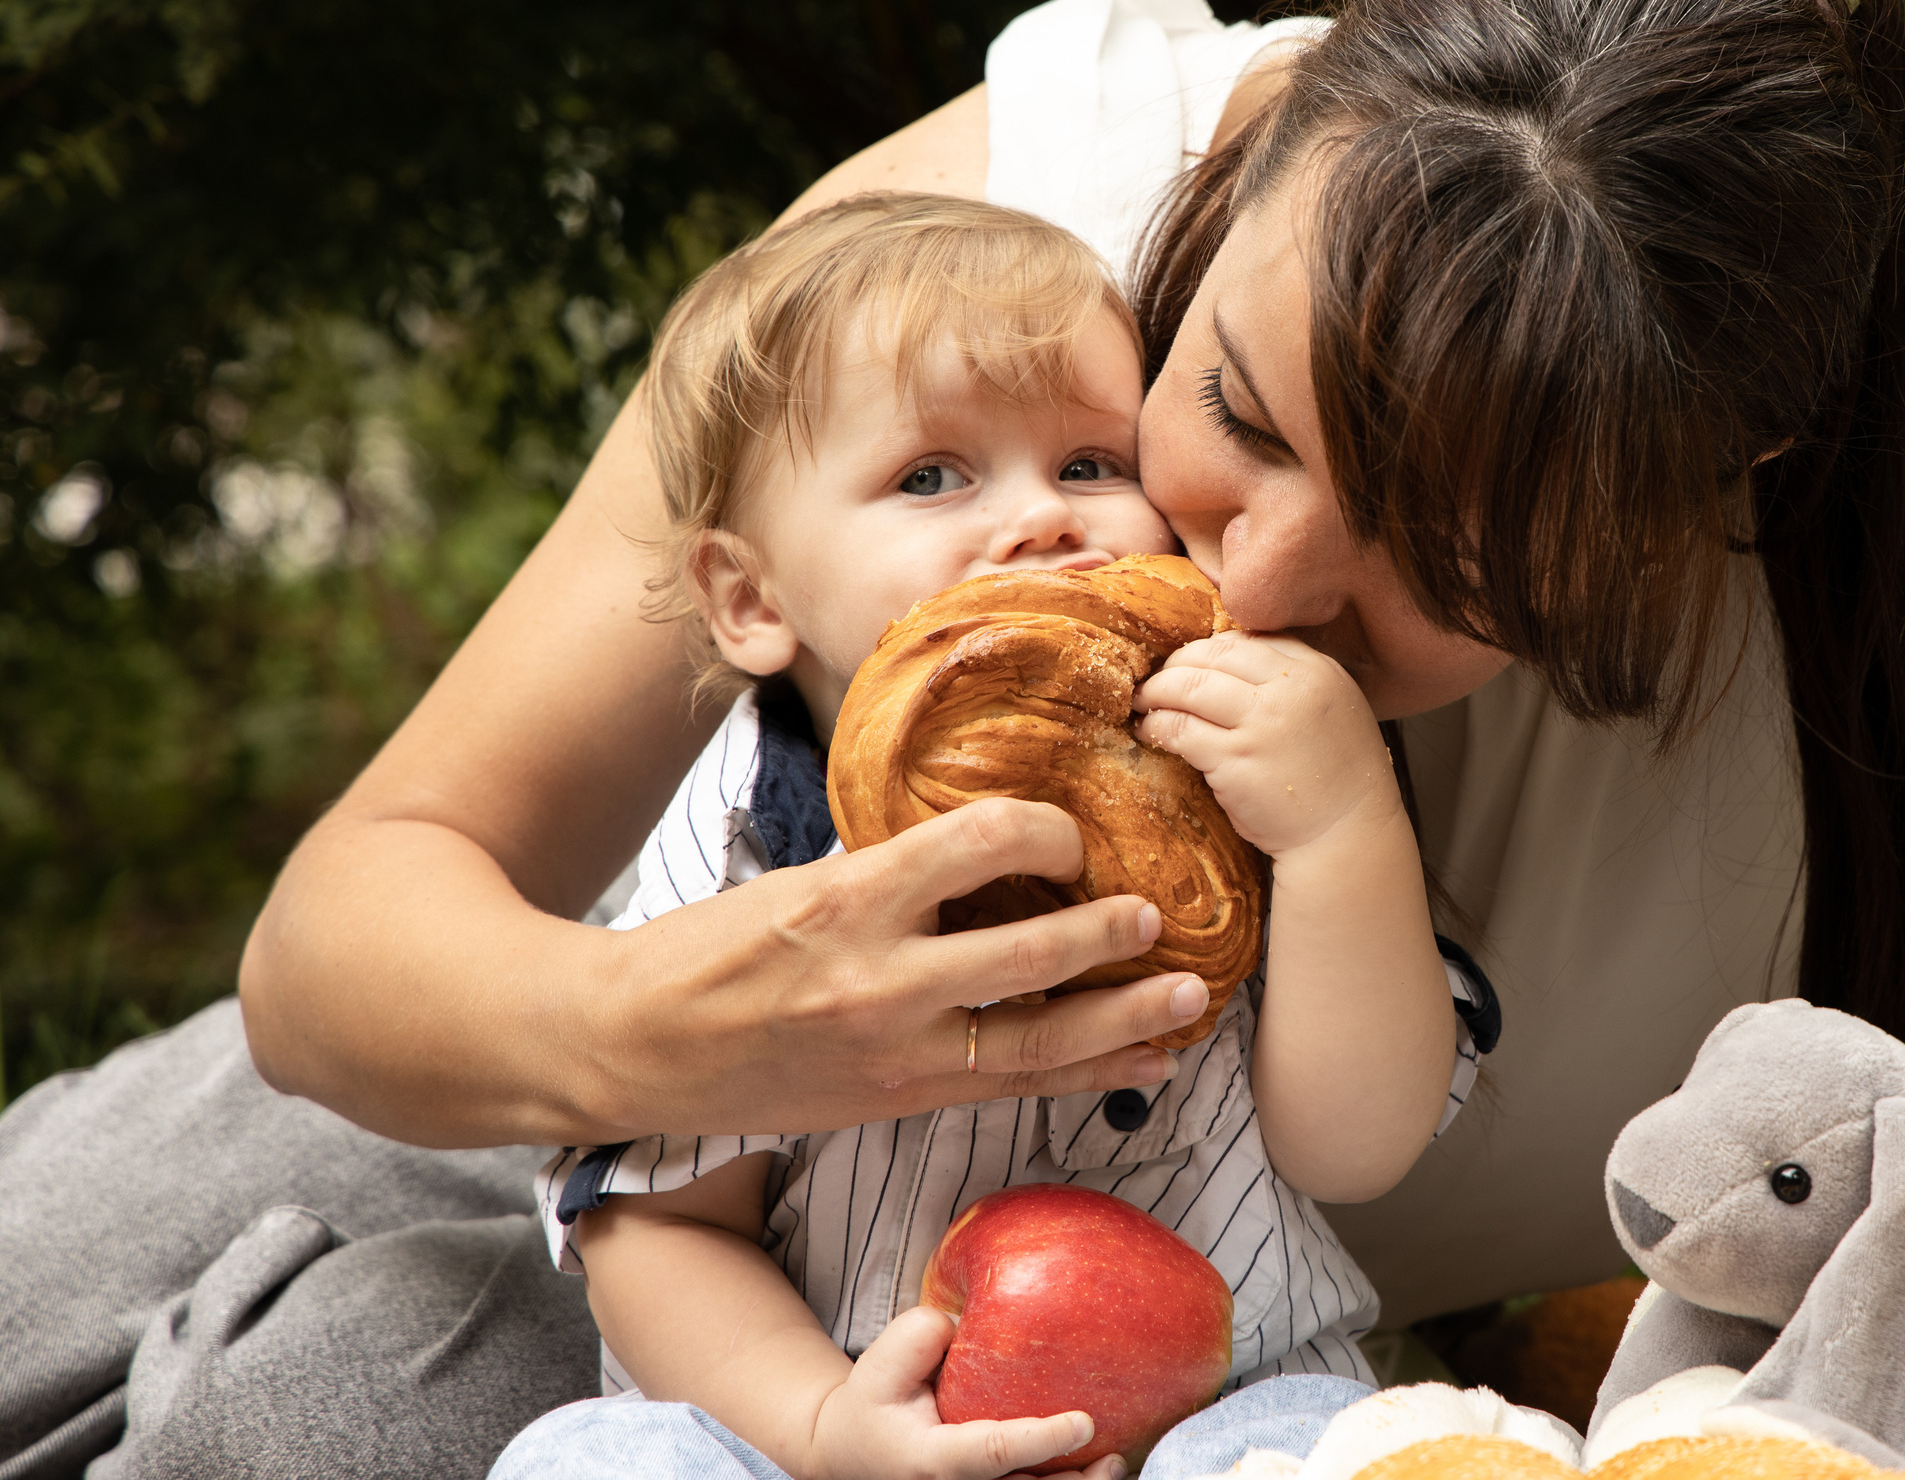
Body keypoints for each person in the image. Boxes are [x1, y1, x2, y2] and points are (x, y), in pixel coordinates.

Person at [6, 0, 1905, 1480]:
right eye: (1224, 410)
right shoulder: (992, 250)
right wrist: (668, 1023)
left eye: (1436, 564)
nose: (1231, 581)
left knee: (331, 1418)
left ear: (1703, 509)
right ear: (1247, 164)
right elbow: (361, 931)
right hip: (562, 1107)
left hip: (1149, 1366)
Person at [485, 191, 1482, 1479]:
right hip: (835, 1421)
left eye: (1089, 464)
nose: (1041, 520)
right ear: (749, 597)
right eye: (931, 477)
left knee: (1326, 1453)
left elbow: (1354, 1147)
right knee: (593, 1460)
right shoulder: (751, 849)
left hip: (1218, 1398)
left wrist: (1343, 836)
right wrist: (820, 1428)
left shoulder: (1251, 771)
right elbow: (661, 1226)